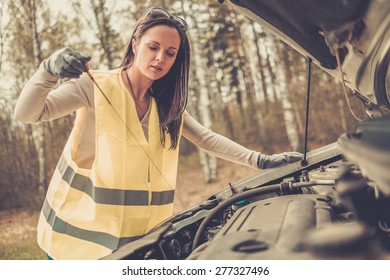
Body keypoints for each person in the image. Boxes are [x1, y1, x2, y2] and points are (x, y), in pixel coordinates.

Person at [14, 7, 302, 260]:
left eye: (170, 53)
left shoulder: (165, 105)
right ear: (135, 43)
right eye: (153, 47)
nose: (160, 58)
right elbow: (28, 114)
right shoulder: (94, 87)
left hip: (136, 242)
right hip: (76, 240)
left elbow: (206, 138)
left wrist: (261, 161)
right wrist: (47, 71)